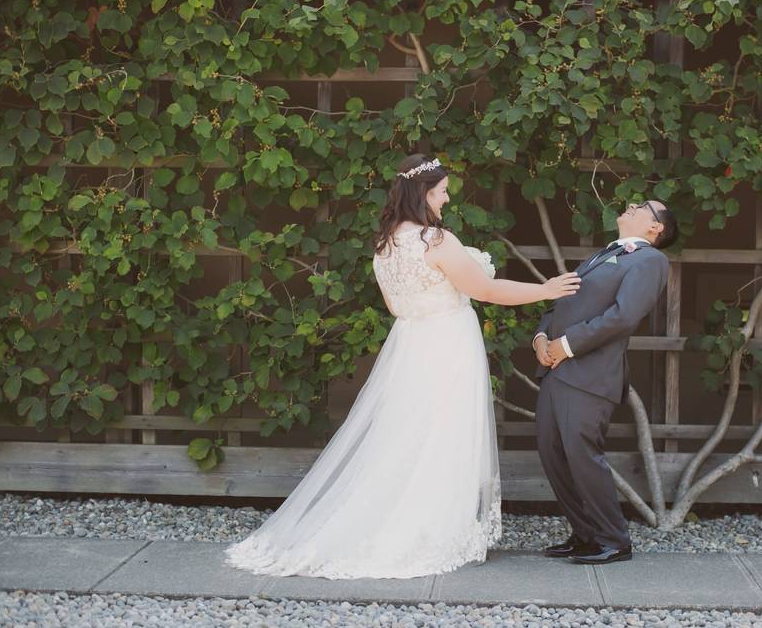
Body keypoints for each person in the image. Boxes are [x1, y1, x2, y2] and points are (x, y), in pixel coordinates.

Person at [224, 154, 580, 579]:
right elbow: (485, 289)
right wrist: (544, 289)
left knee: (407, 434)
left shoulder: (387, 243)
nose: (447, 199)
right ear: (424, 193)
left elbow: (395, 306)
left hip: (410, 344)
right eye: (443, 191)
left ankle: (404, 520)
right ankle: (432, 530)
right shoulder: (435, 240)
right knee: (444, 432)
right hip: (449, 343)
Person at [532, 199, 678, 565]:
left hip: (590, 373)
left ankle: (614, 539)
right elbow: (559, 302)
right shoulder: (604, 255)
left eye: (642, 205)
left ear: (655, 227)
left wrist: (565, 345)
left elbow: (624, 316)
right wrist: (540, 339)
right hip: (556, 369)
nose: (630, 204)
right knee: (554, 455)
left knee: (582, 456)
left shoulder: (650, 261)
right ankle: (585, 534)